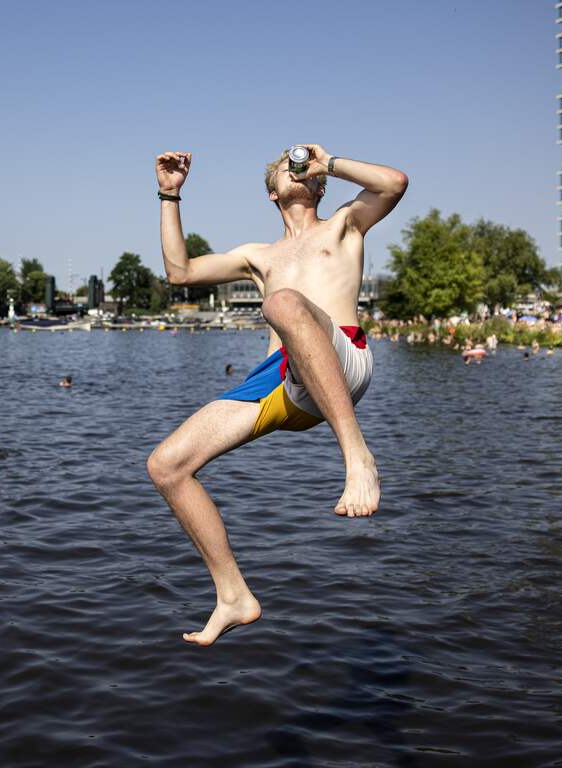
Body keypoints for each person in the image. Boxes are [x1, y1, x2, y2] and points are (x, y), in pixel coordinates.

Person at [147, 145, 408, 646]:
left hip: (341, 361)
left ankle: (358, 458)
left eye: (305, 169)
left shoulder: (345, 225)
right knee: (166, 465)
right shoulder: (258, 257)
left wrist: (326, 161)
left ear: (319, 186)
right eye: (287, 169)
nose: (296, 169)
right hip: (279, 380)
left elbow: (393, 183)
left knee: (283, 303)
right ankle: (233, 596)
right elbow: (179, 273)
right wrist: (169, 194)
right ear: (272, 192)